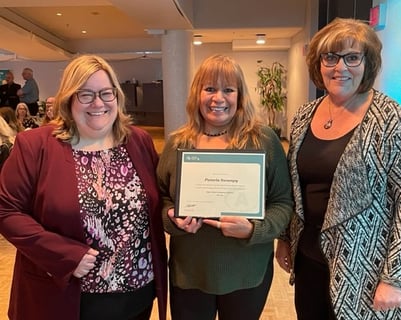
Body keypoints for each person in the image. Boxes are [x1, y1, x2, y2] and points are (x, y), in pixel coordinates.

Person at [275, 18, 401, 319]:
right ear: (318, 63)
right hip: (310, 260)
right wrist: (285, 238)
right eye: (330, 57)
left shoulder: (390, 118)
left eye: (352, 57)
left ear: (367, 63)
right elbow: (296, 188)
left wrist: (395, 278)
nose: (339, 67)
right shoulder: (305, 115)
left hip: (368, 269)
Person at [0, 54, 167, 320]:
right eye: (85, 94)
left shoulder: (139, 141)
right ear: (68, 98)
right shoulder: (35, 145)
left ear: (117, 96)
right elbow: (6, 211)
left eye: (106, 93)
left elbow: (159, 199)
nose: (98, 103)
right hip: (66, 296)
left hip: (137, 290)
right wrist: (65, 255)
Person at [157, 54, 294, 320]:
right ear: (197, 93)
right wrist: (173, 219)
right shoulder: (177, 144)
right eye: (209, 88)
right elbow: (162, 198)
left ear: (240, 96)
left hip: (247, 272)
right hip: (190, 272)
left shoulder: (263, 141)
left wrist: (255, 229)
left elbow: (283, 202)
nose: (218, 98)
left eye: (228, 90)